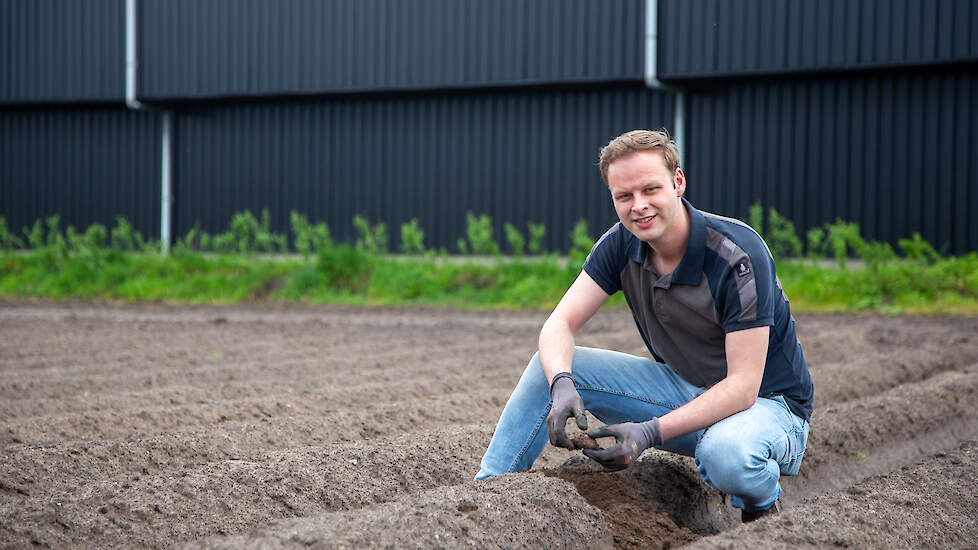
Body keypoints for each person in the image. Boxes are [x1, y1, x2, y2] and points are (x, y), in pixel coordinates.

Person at [474, 129, 813, 522]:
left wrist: (649, 432)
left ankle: (762, 505)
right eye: (624, 196)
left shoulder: (736, 256)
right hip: (687, 389)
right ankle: (486, 502)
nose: (639, 206)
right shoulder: (620, 244)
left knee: (727, 456)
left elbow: (743, 385)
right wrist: (562, 383)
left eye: (650, 189)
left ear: (678, 182)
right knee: (549, 366)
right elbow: (559, 324)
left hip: (767, 405)